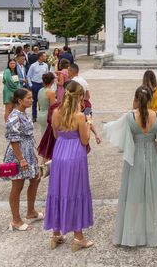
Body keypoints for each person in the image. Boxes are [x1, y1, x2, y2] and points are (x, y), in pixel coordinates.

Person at [104, 85, 157, 247]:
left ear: (136, 99)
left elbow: (120, 137)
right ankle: (156, 228)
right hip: (152, 156)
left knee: (134, 193)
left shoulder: (129, 117)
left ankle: (133, 231)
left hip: (135, 157)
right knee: (154, 192)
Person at [44, 81, 94, 251]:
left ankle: (56, 234)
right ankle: (78, 237)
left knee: (58, 191)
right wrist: (88, 123)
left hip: (59, 153)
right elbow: (85, 140)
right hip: (75, 156)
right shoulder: (80, 116)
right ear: (79, 97)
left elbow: (56, 134)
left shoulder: (56, 112)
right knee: (75, 192)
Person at [2, 88, 42, 231]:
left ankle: (31, 211)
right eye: (29, 98)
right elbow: (13, 140)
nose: (32, 100)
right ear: (20, 101)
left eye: (32, 98)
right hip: (18, 153)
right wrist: (21, 159)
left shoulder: (23, 113)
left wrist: (33, 152)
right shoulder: (14, 116)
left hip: (28, 151)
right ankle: (15, 220)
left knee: (36, 178)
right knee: (17, 186)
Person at [27, 52, 49, 122]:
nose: (46, 58)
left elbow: (47, 75)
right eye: (44, 56)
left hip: (43, 85)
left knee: (43, 101)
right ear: (40, 57)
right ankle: (34, 116)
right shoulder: (33, 65)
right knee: (34, 101)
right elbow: (28, 76)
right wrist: (31, 85)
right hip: (35, 84)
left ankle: (42, 115)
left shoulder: (46, 65)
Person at [37, 72, 56, 137]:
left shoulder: (40, 90)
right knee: (49, 137)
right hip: (48, 115)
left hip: (41, 113)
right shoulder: (51, 92)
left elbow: (39, 104)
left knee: (43, 135)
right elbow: (52, 108)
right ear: (52, 81)